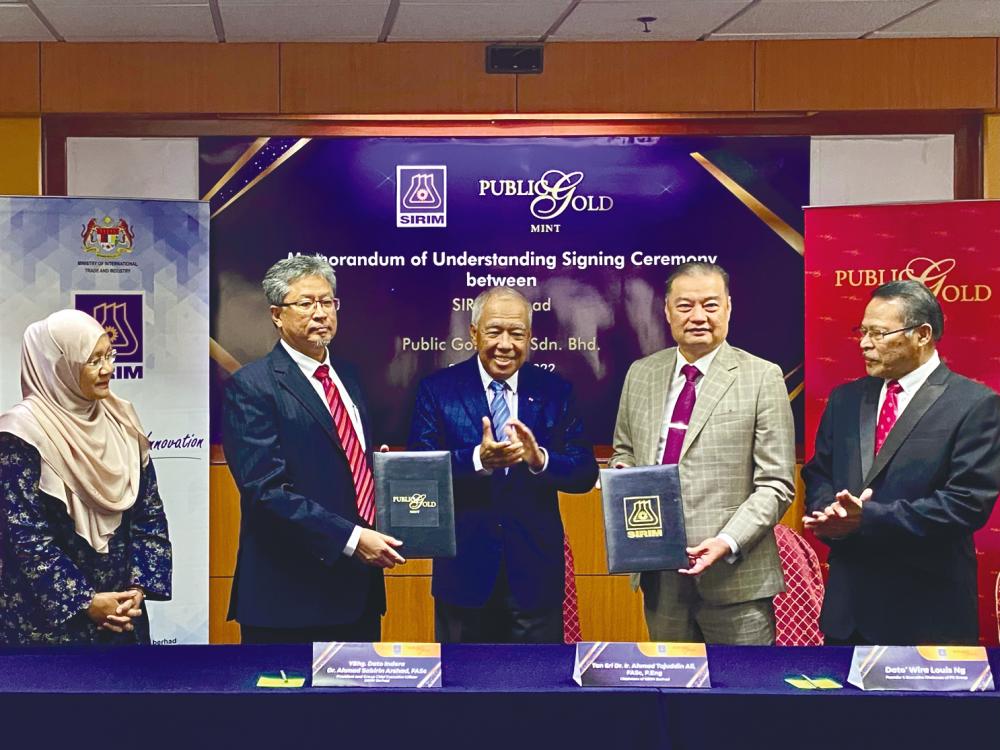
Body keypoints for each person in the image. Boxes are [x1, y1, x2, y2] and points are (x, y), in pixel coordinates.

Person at [803, 280, 1000, 646]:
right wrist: (827, 513)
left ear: (922, 334)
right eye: (862, 332)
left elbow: (966, 505)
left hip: (926, 614)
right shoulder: (846, 399)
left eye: (878, 333)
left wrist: (868, 518)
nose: (864, 343)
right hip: (849, 614)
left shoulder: (975, 404)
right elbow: (818, 472)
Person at [609, 262, 795, 644]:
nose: (697, 317)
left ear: (728, 307)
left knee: (742, 697)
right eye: (685, 306)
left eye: (710, 305)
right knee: (671, 697)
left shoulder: (762, 377)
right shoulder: (641, 374)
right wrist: (626, 476)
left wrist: (726, 541)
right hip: (659, 575)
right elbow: (623, 451)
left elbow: (776, 484)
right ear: (666, 311)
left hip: (734, 579)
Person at [223, 255, 403, 644]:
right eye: (306, 303)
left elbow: (340, 463)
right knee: (287, 708)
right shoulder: (252, 386)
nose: (320, 313)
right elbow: (265, 490)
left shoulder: (350, 378)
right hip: (289, 598)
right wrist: (353, 539)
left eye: (328, 302)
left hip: (357, 593)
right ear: (276, 314)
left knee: (356, 706)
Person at [408, 287, 598, 643]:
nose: (506, 344)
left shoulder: (556, 391)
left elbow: (585, 472)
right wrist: (478, 459)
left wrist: (539, 460)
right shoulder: (437, 390)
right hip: (464, 574)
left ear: (530, 337)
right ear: (474, 333)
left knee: (537, 691)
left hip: (535, 576)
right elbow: (419, 471)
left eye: (517, 333)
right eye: (495, 331)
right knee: (462, 692)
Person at [0, 310, 171, 645]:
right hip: (46, 629)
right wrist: (85, 602)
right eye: (93, 360)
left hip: (122, 619)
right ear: (57, 366)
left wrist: (137, 589)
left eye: (109, 355)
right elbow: (23, 538)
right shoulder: (19, 435)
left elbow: (149, 515)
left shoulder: (122, 421)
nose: (108, 369)